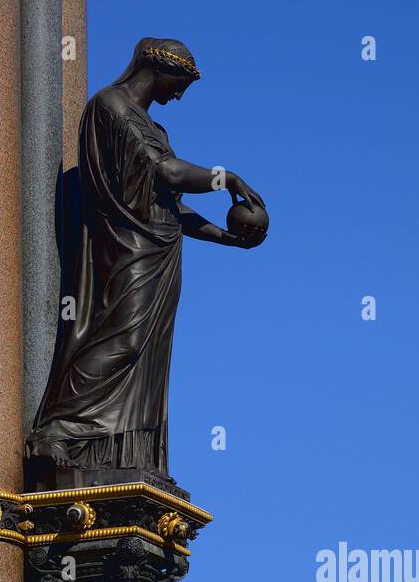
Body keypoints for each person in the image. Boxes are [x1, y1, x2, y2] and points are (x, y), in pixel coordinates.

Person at [26, 38, 265, 484]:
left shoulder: (156, 131)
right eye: (181, 83)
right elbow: (167, 173)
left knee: (145, 357)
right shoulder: (110, 106)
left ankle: (114, 452)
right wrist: (225, 177)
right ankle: (56, 430)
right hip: (126, 250)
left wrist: (227, 239)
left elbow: (172, 203)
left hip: (159, 254)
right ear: (157, 68)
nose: (180, 95)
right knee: (121, 341)